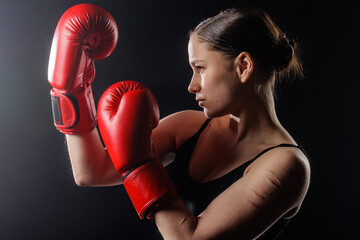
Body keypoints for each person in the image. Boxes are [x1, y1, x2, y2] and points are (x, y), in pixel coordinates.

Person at [48, 4, 310, 240]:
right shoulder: (189, 126)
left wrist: (140, 164)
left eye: (201, 68)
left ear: (243, 66)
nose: (192, 85)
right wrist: (72, 92)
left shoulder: (287, 166)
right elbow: (91, 172)